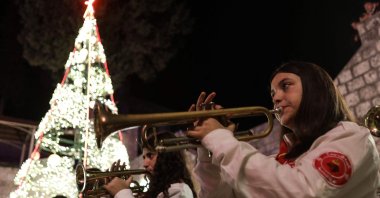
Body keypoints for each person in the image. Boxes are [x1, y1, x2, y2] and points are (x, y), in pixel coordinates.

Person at [187, 61, 380, 197]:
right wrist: (207, 151)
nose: (276, 97)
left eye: (285, 86)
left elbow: (302, 192)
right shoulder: (280, 161)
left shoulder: (352, 137)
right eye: (272, 93)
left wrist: (219, 138)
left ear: (315, 88)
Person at [104, 131, 197, 198]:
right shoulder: (159, 190)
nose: (144, 164)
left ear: (167, 156)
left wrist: (122, 192)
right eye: (144, 157)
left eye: (150, 156)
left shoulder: (179, 191)